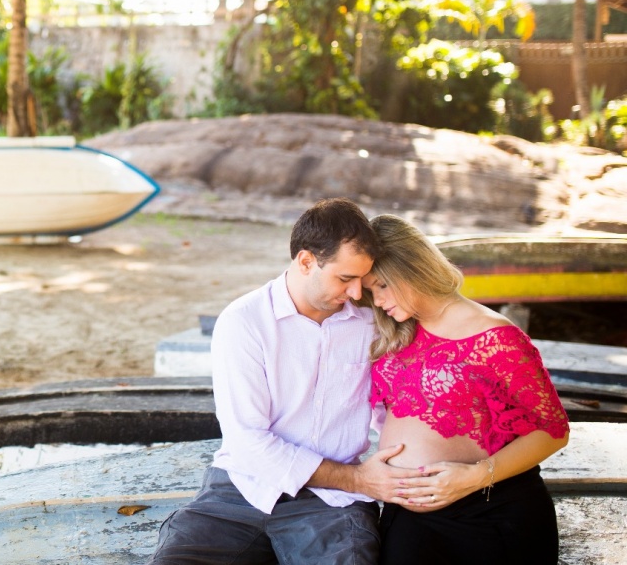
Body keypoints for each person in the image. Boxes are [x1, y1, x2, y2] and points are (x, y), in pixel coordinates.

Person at [147, 197, 417, 565]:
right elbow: (247, 441)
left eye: (361, 280)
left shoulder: (371, 322)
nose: (356, 293)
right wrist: (359, 480)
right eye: (345, 278)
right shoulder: (244, 321)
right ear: (306, 261)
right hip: (241, 488)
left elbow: (394, 408)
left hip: (329, 503)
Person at [364, 214, 570, 565]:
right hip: (411, 516)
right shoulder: (395, 330)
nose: (377, 300)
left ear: (411, 266)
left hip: (490, 514)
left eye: (382, 285)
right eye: (370, 291)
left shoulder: (496, 337)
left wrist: (475, 476)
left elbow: (554, 432)